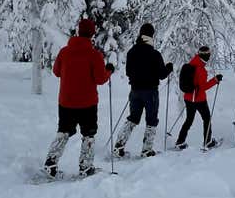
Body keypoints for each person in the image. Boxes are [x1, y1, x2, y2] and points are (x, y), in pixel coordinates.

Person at [44, 18, 114, 178]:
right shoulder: (94, 55)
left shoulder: (64, 52)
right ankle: (85, 167)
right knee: (88, 134)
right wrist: (109, 71)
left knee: (63, 131)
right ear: (92, 34)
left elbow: (56, 72)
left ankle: (50, 163)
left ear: (78, 31)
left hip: (66, 101)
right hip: (87, 103)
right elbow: (100, 79)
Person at [113, 23, 173, 158]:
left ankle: (119, 145)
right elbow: (162, 75)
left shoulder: (132, 52)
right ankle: (147, 150)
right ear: (152, 36)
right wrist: (169, 68)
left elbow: (128, 72)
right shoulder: (155, 54)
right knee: (151, 120)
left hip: (135, 91)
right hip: (150, 92)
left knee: (133, 118)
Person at [175, 46, 223, 150]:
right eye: (209, 55)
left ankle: (180, 141)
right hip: (199, 99)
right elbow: (203, 87)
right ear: (206, 56)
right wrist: (215, 80)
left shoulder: (191, 63)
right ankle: (207, 142)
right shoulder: (201, 69)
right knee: (207, 119)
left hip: (188, 98)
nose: (209, 57)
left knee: (189, 120)